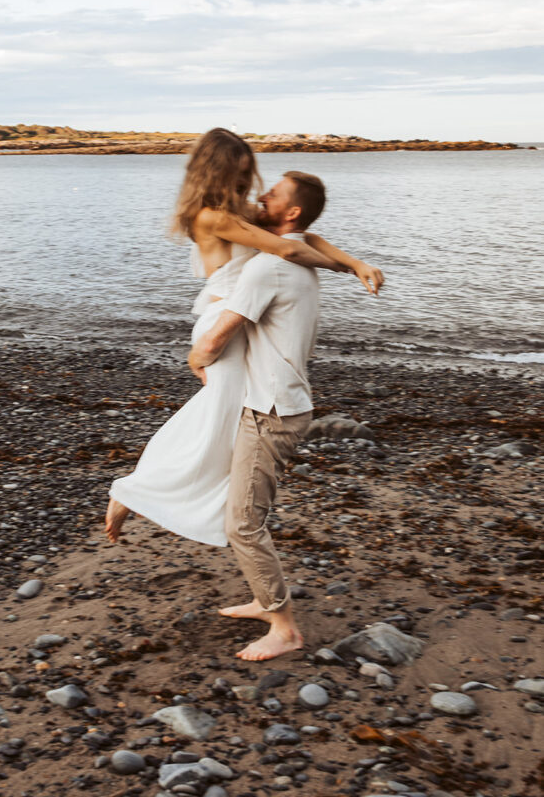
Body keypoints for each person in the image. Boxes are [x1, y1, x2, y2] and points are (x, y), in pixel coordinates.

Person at [105, 128, 383, 550]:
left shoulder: (237, 214)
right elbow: (287, 251)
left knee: (227, 420)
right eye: (238, 172)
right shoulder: (211, 216)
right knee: (217, 419)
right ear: (215, 171)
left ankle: (200, 504)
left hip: (237, 321)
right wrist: (342, 269)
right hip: (223, 320)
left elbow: (301, 237)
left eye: (247, 171)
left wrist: (356, 260)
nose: (246, 181)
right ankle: (135, 491)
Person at [186, 169, 348, 660]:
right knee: (242, 511)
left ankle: (284, 627)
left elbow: (222, 333)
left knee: (243, 524)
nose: (261, 195)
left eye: (272, 194)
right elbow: (309, 244)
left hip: (270, 411)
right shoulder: (293, 259)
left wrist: (198, 357)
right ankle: (263, 600)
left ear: (291, 212)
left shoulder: (268, 267)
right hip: (278, 402)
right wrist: (355, 263)